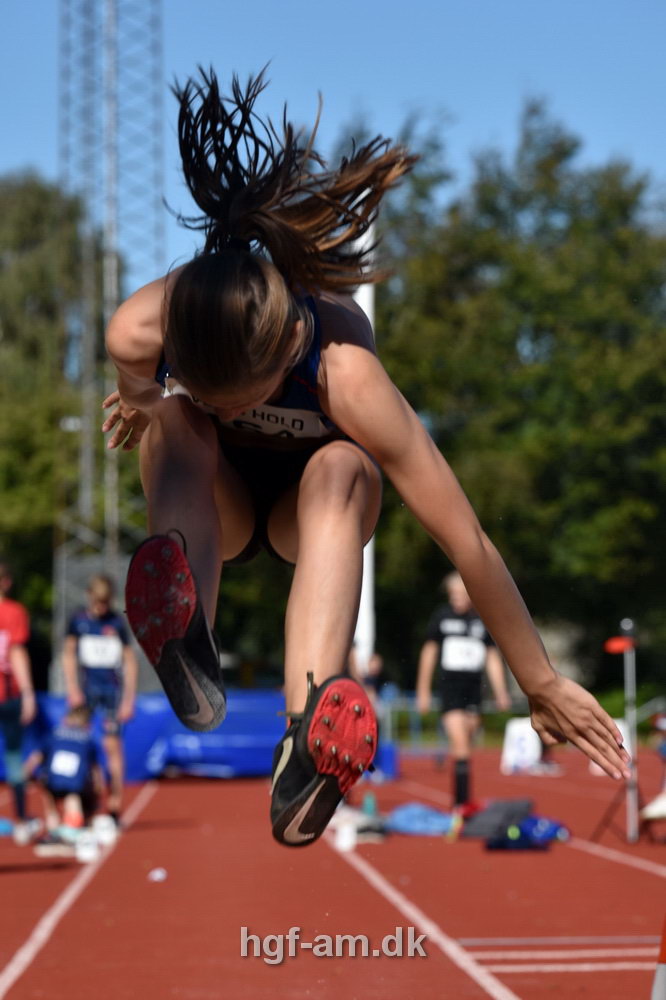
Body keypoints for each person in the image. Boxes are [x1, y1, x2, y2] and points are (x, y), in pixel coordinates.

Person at [101, 68, 630, 848]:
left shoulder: (347, 373)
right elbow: (144, 397)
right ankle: (189, 630)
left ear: (287, 347)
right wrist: (155, 403)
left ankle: (307, 725)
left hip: (310, 514)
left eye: (245, 397)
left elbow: (468, 542)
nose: (237, 412)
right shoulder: (141, 331)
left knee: (344, 468)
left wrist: (539, 680)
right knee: (177, 421)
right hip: (215, 504)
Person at [416, 571, 511, 809]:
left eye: (461, 593)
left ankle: (461, 789)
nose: (456, 598)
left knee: (467, 740)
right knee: (460, 742)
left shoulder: (481, 620)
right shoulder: (442, 617)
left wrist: (501, 692)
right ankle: (461, 802)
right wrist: (423, 690)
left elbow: (492, 657)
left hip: (473, 690)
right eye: (452, 594)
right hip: (450, 688)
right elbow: (429, 653)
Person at [62, 574, 137, 824]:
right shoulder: (78, 620)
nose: (100, 608)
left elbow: (130, 661)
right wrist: (72, 688)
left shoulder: (116, 623)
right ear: (89, 596)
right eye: (97, 602)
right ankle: (83, 800)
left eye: (105, 603)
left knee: (112, 746)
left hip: (112, 693)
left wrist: (128, 699)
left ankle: (114, 804)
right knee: (78, 743)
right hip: (86, 691)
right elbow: (69, 655)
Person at [25, 704, 104, 854]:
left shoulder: (54, 733)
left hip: (51, 780)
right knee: (72, 798)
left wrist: (27, 771)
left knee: (50, 800)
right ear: (87, 723)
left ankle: (53, 831)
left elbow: (37, 756)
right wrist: (98, 787)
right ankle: (72, 829)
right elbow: (95, 768)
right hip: (75, 783)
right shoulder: (88, 738)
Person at [0, 560, 40, 844]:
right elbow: (16, 653)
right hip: (10, 694)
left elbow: (16, 652)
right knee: (14, 756)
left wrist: (26, 693)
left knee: (14, 757)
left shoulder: (14, 612)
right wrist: (27, 693)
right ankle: (22, 819)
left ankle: (23, 818)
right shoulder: (13, 612)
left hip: (9, 693)